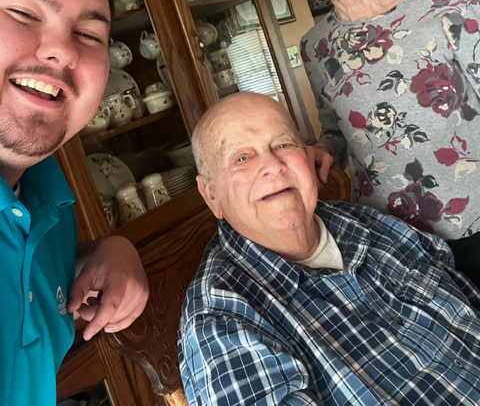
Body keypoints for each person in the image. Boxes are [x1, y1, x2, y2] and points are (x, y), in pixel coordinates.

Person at [179, 91, 480, 405]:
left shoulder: (365, 221)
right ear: (210, 194)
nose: (272, 165)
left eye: (283, 144)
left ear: (307, 155)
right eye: (242, 158)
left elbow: (460, 293)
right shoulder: (219, 322)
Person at [271, 0, 480, 286]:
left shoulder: (443, 1)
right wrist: (321, 150)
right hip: (397, 243)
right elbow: (338, 131)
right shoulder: (315, 47)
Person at [0, 0, 149, 405]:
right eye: (22, 12)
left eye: (90, 35)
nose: (62, 51)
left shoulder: (49, 201)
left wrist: (104, 250)